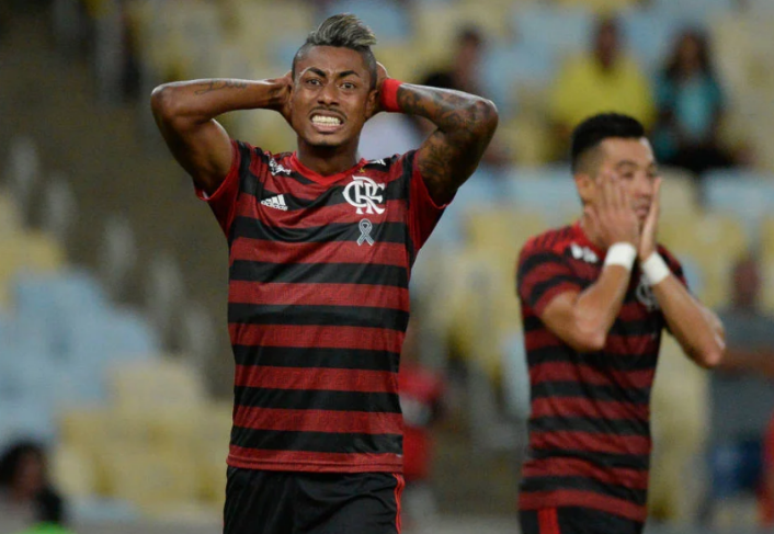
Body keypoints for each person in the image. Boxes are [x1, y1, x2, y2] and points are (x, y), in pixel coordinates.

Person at [150, 13, 497, 534]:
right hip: (258, 471)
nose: (329, 97)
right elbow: (169, 106)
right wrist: (270, 92)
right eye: (313, 82)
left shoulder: (400, 189)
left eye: (348, 85)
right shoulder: (248, 178)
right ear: (292, 94)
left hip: (357, 479)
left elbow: (476, 119)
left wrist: (392, 90)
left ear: (370, 101)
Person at [515, 113, 725, 534]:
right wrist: (624, 252)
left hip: (629, 496)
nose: (645, 188)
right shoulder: (546, 254)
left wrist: (646, 258)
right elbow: (588, 329)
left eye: (650, 174)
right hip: (564, 492)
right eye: (626, 175)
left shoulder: (661, 265)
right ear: (586, 185)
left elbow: (710, 348)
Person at [548, 18, 655, 159]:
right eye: (602, 42)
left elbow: (648, 123)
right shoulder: (573, 73)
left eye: (611, 42)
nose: (606, 47)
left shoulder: (635, 76)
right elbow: (559, 124)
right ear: (593, 43)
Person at [652, 29, 733, 176]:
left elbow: (718, 112)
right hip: (675, 147)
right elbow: (664, 113)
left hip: (704, 145)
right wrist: (684, 138)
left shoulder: (709, 82)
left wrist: (705, 138)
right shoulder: (667, 81)